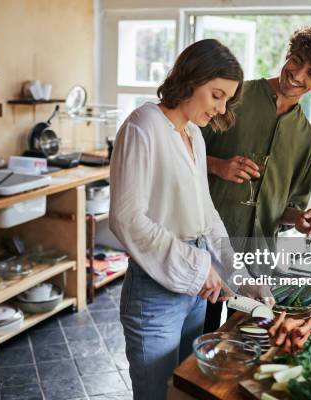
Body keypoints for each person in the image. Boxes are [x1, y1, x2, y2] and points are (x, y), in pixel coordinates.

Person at [109, 39, 261, 400]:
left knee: (185, 392)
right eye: (216, 95)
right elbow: (126, 219)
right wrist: (198, 266)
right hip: (154, 293)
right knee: (155, 395)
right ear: (192, 79)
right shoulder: (142, 126)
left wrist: (239, 276)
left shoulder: (194, 134)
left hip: (195, 291)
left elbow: (206, 216)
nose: (221, 108)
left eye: (227, 99)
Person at [202, 26, 311, 333]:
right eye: (297, 60)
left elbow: (286, 208)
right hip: (205, 247)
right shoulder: (234, 97)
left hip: (256, 261)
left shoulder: (307, 138)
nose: (297, 74)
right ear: (288, 54)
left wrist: (299, 218)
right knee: (194, 337)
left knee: (243, 339)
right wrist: (217, 165)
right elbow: (180, 153)